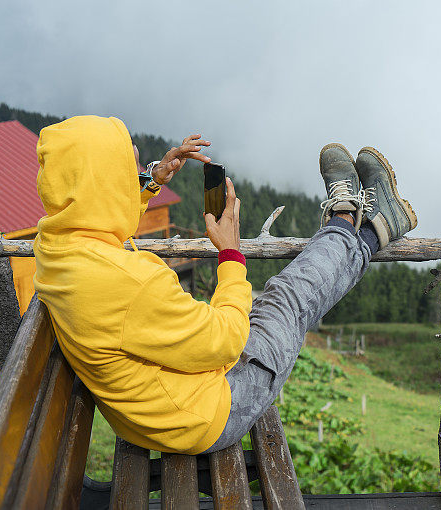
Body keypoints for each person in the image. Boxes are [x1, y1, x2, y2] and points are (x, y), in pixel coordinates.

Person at [33, 115, 417, 454]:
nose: (139, 168)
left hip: (152, 411)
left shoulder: (56, 245)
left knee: (269, 301)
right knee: (286, 299)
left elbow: (95, 214)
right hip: (205, 416)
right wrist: (231, 254)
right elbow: (228, 341)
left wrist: (151, 181)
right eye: (129, 167)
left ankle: (361, 224)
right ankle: (359, 223)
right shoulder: (131, 284)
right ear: (102, 182)